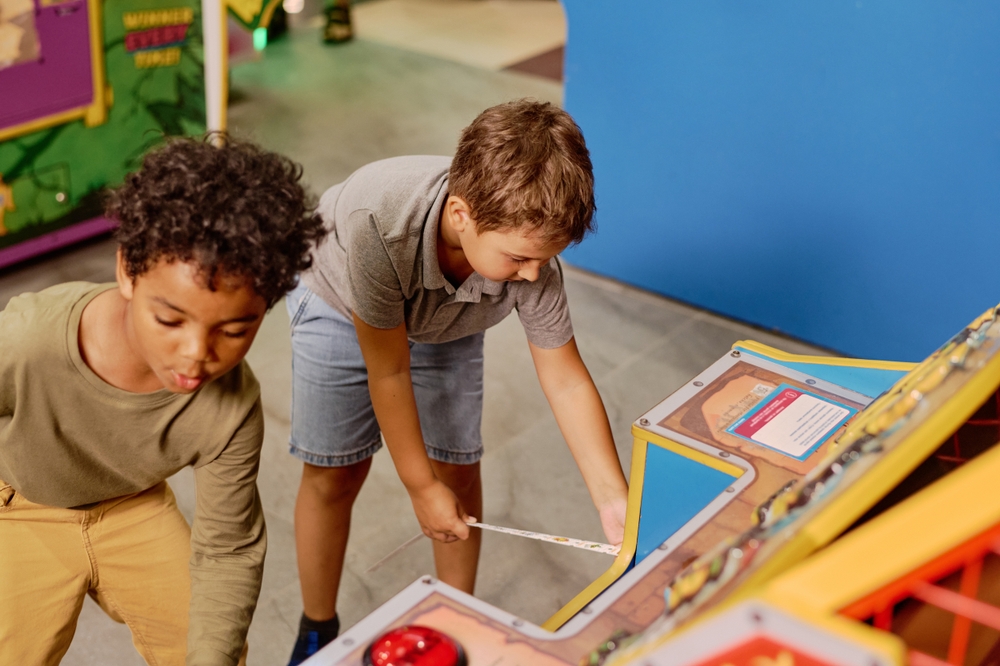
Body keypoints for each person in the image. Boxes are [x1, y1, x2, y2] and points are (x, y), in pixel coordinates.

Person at [285, 99, 630, 664]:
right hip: (339, 304)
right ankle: (317, 626)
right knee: (334, 472)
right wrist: (419, 490)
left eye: (545, 260)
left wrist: (612, 497)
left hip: (449, 319)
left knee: (457, 467)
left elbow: (565, 380)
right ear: (463, 214)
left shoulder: (527, 255)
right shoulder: (378, 223)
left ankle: (455, 616)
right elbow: (389, 369)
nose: (533, 275)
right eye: (520, 258)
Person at [0, 136, 326, 666]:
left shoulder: (233, 407)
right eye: (170, 320)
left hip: (134, 507)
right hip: (20, 509)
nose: (197, 355)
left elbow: (228, 549)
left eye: (236, 329)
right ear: (127, 269)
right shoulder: (26, 340)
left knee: (215, 652)